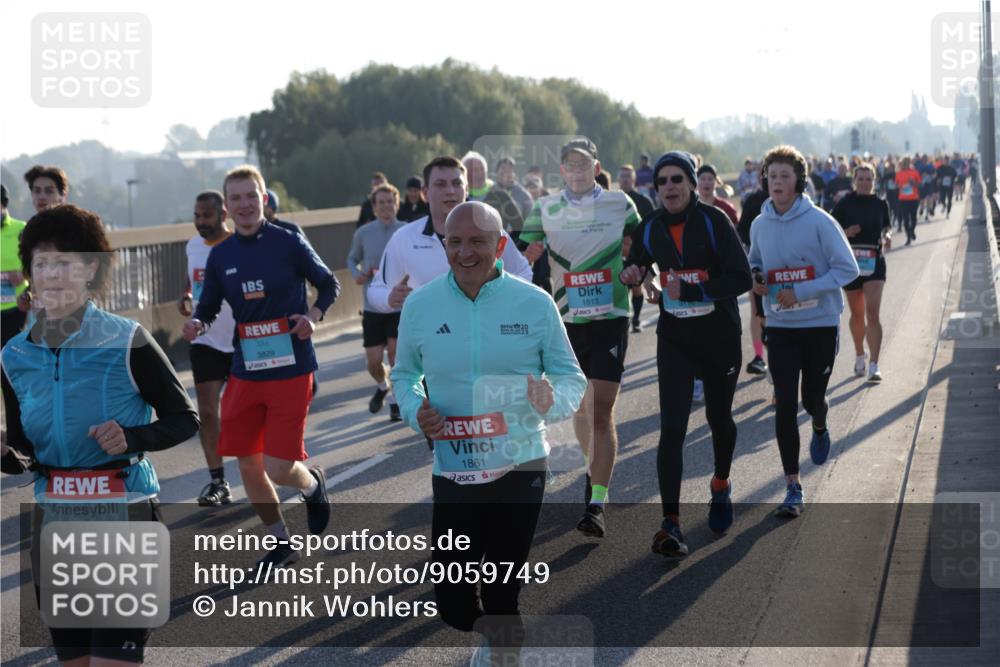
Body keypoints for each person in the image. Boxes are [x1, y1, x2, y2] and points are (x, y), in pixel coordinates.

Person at [1, 204, 199, 665]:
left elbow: (184, 418)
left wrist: (131, 438)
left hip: (122, 511)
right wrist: (7, 456)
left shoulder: (127, 339)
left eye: (65, 262)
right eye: (41, 262)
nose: (51, 274)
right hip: (54, 520)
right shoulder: (13, 356)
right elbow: (26, 452)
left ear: (91, 268)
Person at [391, 201, 586, 666]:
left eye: (477, 241)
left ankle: (501, 649)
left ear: (500, 245)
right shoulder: (421, 305)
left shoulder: (534, 303)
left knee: (502, 592)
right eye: (454, 242)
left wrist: (550, 401)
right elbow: (403, 375)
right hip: (455, 468)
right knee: (453, 604)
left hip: (520, 463)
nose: (464, 252)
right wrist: (417, 410)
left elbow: (570, 377)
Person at [183, 165, 339, 566]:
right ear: (227, 209)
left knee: (279, 466)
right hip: (246, 369)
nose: (245, 205)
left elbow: (328, 283)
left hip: (291, 369)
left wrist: (314, 315)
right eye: (236, 199)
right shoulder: (221, 256)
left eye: (251, 196)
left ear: (264, 198)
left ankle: (311, 484)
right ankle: (280, 540)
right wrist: (198, 321)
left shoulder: (288, 242)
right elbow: (210, 304)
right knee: (248, 462)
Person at [620, 151, 752, 557]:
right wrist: (632, 274)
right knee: (672, 428)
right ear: (655, 188)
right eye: (662, 181)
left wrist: (693, 291)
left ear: (692, 184)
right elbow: (637, 265)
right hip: (675, 338)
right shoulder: (650, 227)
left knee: (718, 418)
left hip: (719, 337)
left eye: (678, 179)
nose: (670, 187)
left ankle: (720, 484)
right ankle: (672, 523)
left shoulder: (715, 222)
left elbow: (742, 277)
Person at [521, 137, 641, 538]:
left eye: (583, 163)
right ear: (562, 171)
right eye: (569, 164)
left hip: (610, 316)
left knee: (602, 407)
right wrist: (529, 255)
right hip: (567, 320)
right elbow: (522, 258)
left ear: (595, 166)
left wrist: (636, 268)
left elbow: (641, 243)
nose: (576, 170)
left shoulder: (619, 204)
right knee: (579, 407)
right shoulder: (544, 208)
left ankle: (596, 500)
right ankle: (594, 466)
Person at [748, 145, 859, 517]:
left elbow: (848, 270)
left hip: (819, 325)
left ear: (799, 181)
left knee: (812, 398)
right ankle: (793, 486)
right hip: (780, 326)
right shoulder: (759, 224)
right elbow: (755, 264)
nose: (776, 182)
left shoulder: (821, 222)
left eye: (784, 176)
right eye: (771, 176)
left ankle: (821, 421)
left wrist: (803, 291)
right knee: (783, 401)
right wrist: (758, 281)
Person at [365, 156, 533, 315]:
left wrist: (503, 301)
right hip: (430, 340)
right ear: (425, 192)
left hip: (486, 337)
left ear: (466, 189)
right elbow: (376, 289)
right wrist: (389, 299)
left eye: (457, 183)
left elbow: (523, 272)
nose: (450, 191)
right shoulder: (404, 238)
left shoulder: (491, 231)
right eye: (440, 184)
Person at [178, 190, 237, 505]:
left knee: (243, 413)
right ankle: (218, 482)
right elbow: (191, 284)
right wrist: (186, 299)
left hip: (242, 341)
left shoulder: (239, 244)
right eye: (197, 216)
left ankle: (265, 472)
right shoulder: (192, 246)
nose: (201, 222)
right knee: (208, 412)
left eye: (207, 216)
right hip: (205, 340)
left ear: (223, 214)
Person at [346, 183, 407, 421]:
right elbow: (351, 259)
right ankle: (383, 387)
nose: (386, 207)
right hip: (372, 306)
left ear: (397, 204)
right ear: (373, 207)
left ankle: (394, 402)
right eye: (381, 203)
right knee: (373, 362)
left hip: (400, 304)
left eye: (390, 202)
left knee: (394, 355)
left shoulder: (405, 231)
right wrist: (356, 274)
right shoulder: (363, 233)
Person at [832, 163, 891, 383]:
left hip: (875, 262)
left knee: (873, 313)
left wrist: (887, 236)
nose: (865, 183)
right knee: (857, 314)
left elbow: (886, 226)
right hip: (851, 263)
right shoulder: (844, 204)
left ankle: (874, 365)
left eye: (869, 179)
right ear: (854, 180)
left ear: (874, 181)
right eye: (861, 179)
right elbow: (832, 231)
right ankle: (859, 354)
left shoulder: (880, 203)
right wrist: (846, 232)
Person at [619, 165, 655, 333]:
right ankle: (622, 320)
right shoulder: (611, 202)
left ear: (634, 180)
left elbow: (653, 225)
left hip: (638, 252)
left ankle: (636, 319)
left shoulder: (643, 201)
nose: (625, 179)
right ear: (618, 180)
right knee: (618, 288)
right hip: (615, 253)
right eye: (622, 176)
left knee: (636, 287)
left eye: (628, 176)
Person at [1, 184, 29, 348]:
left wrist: (23, 275)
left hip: (15, 307)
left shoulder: (21, 229)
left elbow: (35, 263)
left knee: (9, 358)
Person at [894, 156, 922, 245]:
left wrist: (913, 183)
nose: (905, 164)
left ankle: (912, 230)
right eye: (904, 162)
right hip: (903, 199)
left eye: (907, 162)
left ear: (910, 163)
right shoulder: (898, 173)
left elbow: (919, 184)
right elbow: (896, 184)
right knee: (906, 219)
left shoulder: (914, 172)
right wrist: (899, 186)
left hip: (913, 198)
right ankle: (908, 237)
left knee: (913, 217)